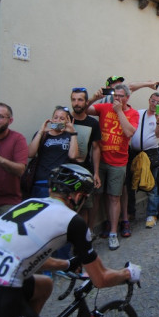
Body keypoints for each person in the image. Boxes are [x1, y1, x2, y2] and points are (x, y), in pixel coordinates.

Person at [0, 164, 141, 317]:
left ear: (51, 189)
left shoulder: (28, 204)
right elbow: (100, 279)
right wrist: (128, 274)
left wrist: (66, 264)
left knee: (44, 284)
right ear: (77, 196)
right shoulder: (73, 221)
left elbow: (22, 254)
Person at [86, 84, 138, 251]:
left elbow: (129, 132)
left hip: (118, 163)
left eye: (121, 96)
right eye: (115, 96)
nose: (117, 99)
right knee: (96, 197)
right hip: (100, 161)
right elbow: (84, 110)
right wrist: (94, 98)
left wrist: (119, 111)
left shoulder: (133, 113)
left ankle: (113, 234)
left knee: (114, 197)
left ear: (127, 98)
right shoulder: (104, 107)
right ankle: (89, 231)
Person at [129, 92, 159, 229]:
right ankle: (130, 212)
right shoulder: (139, 113)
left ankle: (152, 214)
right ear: (149, 100)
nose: (155, 104)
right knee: (131, 184)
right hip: (134, 153)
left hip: (151, 154)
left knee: (151, 185)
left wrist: (158, 121)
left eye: (158, 102)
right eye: (153, 101)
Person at [27, 106, 79, 198]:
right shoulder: (43, 134)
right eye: (55, 117)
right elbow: (30, 154)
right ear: (51, 119)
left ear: (67, 121)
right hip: (42, 181)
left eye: (62, 118)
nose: (57, 120)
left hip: (61, 182)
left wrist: (73, 133)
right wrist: (40, 132)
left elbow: (73, 155)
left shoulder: (69, 136)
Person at [70, 88, 102, 230]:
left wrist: (96, 172)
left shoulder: (93, 123)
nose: (76, 103)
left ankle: (83, 241)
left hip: (84, 170)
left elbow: (95, 148)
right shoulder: (65, 119)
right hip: (66, 171)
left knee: (84, 208)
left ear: (86, 102)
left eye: (80, 100)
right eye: (74, 99)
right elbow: (51, 132)